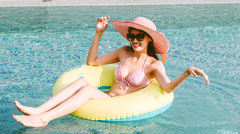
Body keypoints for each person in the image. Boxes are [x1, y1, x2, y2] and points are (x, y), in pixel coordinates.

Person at [13, 16, 209, 127]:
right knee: (82, 82)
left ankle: (44, 119)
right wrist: (99, 33)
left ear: (149, 38)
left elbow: (166, 88)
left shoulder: (153, 65)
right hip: (106, 97)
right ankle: (38, 110)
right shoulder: (124, 52)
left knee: (87, 89)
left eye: (140, 36)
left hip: (118, 105)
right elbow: (92, 62)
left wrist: (186, 72)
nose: (134, 40)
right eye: (131, 36)